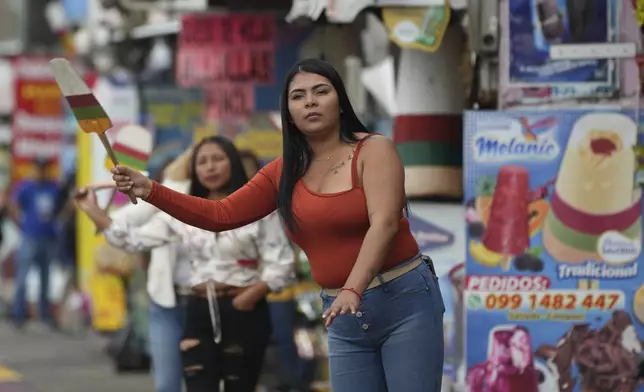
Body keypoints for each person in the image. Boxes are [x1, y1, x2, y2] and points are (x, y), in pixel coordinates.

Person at [110, 58, 445, 392]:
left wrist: (353, 288)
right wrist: (150, 189)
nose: (310, 101)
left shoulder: (374, 150)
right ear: (288, 113)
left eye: (321, 92)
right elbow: (220, 214)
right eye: (298, 96)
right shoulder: (283, 171)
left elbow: (385, 223)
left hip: (403, 299)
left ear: (341, 103)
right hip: (340, 314)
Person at [77, 136, 295, 392]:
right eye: (202, 162)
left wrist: (250, 296)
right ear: (193, 170)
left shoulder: (259, 209)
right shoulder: (184, 210)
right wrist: (93, 211)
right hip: (197, 311)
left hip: (245, 311)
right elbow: (133, 241)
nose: (210, 167)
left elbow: (282, 265)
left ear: (233, 162)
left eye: (218, 159)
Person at [9, 157, 61, 329]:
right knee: (22, 277)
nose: (39, 172)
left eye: (42, 169)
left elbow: (61, 207)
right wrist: (20, 224)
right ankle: (18, 314)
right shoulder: (26, 187)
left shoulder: (53, 187)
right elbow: (14, 204)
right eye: (37, 169)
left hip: (48, 238)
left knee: (45, 278)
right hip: (30, 237)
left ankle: (44, 314)